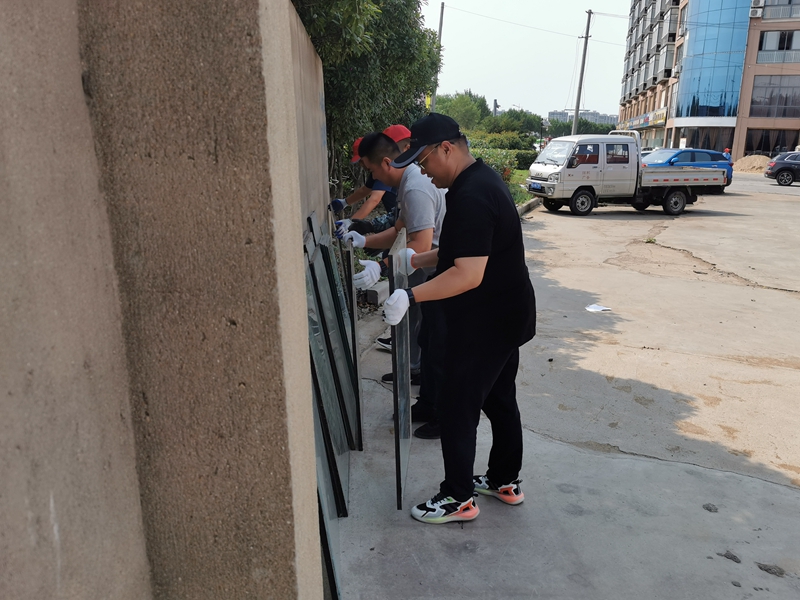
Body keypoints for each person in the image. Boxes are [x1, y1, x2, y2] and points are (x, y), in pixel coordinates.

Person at [382, 113, 536, 525]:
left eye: (424, 161)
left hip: (487, 322)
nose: (423, 173)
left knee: (456, 405)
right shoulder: (479, 180)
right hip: (507, 314)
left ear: (446, 149)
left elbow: (467, 273)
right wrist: (415, 260)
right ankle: (504, 480)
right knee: (499, 400)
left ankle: (458, 497)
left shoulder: (471, 196)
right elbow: (463, 249)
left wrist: (410, 294)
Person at [341, 131, 446, 395]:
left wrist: (382, 267)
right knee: (421, 326)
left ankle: (430, 394)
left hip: (440, 268)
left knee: (433, 335)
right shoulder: (406, 183)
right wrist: (364, 241)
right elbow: (400, 229)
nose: (373, 177)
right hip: (428, 264)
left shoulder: (414, 187)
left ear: (386, 163)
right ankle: (417, 374)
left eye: (371, 170)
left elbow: (421, 246)